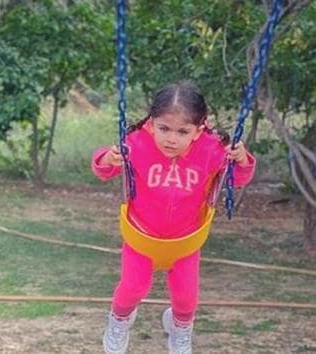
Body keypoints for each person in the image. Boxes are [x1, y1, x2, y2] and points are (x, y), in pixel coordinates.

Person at [92, 81, 256, 354]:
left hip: (185, 241)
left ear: (199, 129)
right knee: (132, 288)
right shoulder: (136, 143)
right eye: (164, 128)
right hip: (141, 236)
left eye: (183, 132)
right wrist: (108, 159)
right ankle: (119, 320)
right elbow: (104, 169)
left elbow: (237, 180)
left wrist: (241, 159)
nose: (171, 139)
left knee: (186, 298)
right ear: (152, 122)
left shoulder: (212, 149)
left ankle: (179, 329)